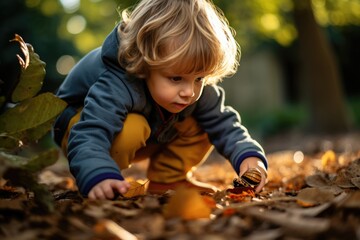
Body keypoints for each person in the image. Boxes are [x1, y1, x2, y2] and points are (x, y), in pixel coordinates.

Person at [53, 0, 268, 200]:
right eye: (176, 78)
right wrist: (96, 174)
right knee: (132, 127)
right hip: (78, 127)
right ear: (146, 64)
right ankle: (105, 178)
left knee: (204, 121)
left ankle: (167, 180)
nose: (189, 91)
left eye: (199, 78)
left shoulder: (194, 90)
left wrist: (249, 156)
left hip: (148, 130)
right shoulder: (117, 83)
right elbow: (90, 132)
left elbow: (225, 125)